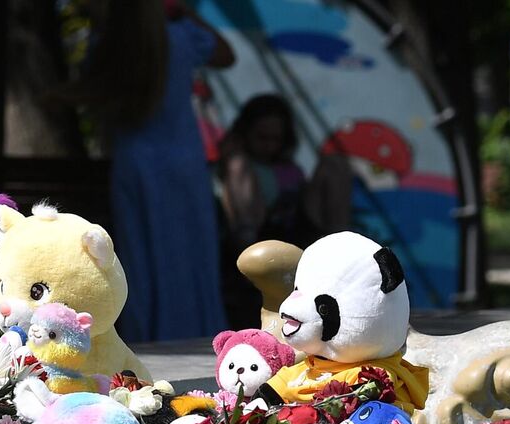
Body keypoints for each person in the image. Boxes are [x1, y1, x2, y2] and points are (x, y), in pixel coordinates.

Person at [78, 0, 234, 343]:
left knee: (140, 257)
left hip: (136, 162)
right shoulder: (180, 33)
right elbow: (226, 54)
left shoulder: (110, 41)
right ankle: (202, 335)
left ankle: (146, 337)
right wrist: (183, 12)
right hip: (184, 161)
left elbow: (88, 92)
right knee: (192, 258)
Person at [217, 93, 351, 254]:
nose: (269, 146)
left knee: (334, 164)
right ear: (246, 132)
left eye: (276, 139)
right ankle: (248, 251)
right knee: (237, 163)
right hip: (259, 232)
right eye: (262, 138)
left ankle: (341, 245)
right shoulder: (238, 164)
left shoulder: (288, 168)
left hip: (295, 226)